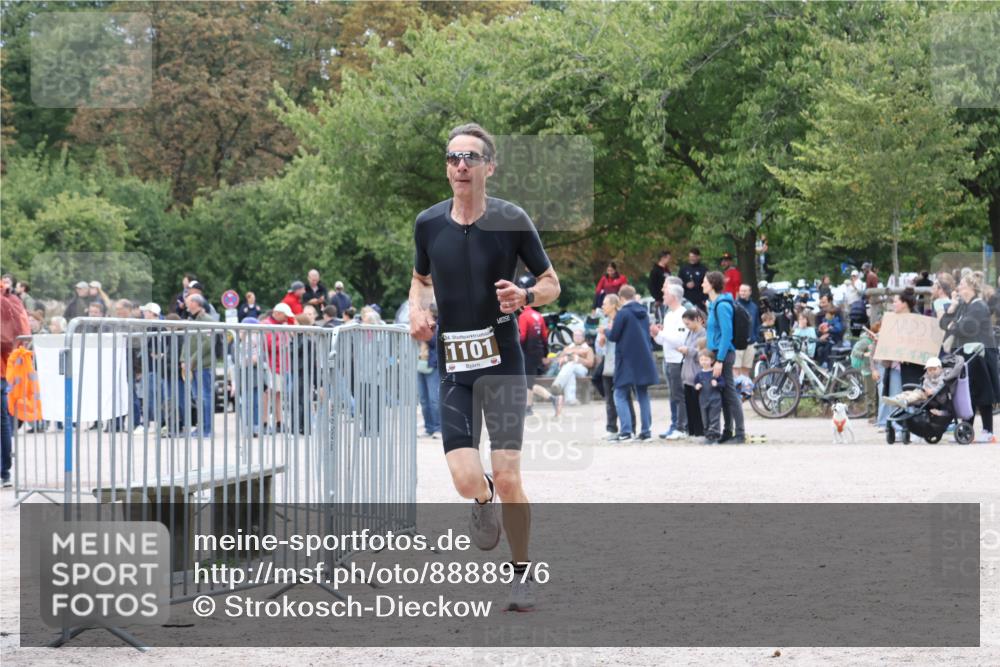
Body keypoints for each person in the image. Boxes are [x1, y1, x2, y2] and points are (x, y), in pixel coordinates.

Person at [407, 122, 559, 612]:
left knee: (509, 473)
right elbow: (419, 279)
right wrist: (417, 309)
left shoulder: (512, 219)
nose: (460, 165)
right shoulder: (428, 224)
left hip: (503, 362)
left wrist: (527, 295)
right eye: (453, 157)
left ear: (489, 167)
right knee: (465, 478)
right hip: (455, 366)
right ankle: (481, 500)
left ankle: (521, 574)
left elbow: (552, 282)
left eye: (471, 157)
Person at [940, 275, 1000, 442]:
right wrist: (951, 308)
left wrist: (953, 326)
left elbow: (966, 327)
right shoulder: (962, 306)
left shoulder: (978, 306)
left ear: (971, 288)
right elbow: (944, 324)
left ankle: (988, 431)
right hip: (967, 354)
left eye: (961, 284)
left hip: (981, 354)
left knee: (983, 392)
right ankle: (968, 430)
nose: (958, 287)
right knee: (968, 392)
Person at [607, 284, 657, 441]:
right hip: (644, 358)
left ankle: (626, 431)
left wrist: (606, 331)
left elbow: (614, 335)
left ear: (621, 298)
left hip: (627, 359)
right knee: (642, 394)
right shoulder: (644, 313)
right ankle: (646, 431)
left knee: (619, 393)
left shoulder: (623, 313)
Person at [875, 288, 926, 435]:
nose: (893, 304)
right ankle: (897, 428)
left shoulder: (918, 320)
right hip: (894, 365)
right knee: (895, 397)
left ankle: (912, 428)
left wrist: (910, 354)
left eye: (895, 301)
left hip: (912, 367)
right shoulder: (892, 320)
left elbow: (921, 343)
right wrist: (882, 340)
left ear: (904, 304)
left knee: (911, 397)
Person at [703, 270, 746, 443]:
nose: (702, 284)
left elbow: (727, 334)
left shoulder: (722, 305)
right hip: (717, 353)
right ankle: (728, 431)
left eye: (704, 282)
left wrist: (719, 360)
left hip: (724, 354)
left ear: (712, 284)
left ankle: (740, 433)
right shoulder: (714, 305)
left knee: (730, 392)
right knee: (723, 394)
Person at [1, 281, 32, 486]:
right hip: (4, 368)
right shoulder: (11, 299)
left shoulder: (7, 300)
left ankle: (4, 472)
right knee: (2, 421)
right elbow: (22, 335)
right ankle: (4, 472)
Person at [651, 283, 688, 439]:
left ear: (673, 296)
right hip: (669, 359)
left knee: (679, 395)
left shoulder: (682, 314)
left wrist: (662, 333)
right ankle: (676, 425)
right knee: (673, 395)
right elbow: (664, 341)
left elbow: (680, 340)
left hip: (678, 360)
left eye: (665, 294)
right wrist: (655, 335)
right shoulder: (668, 314)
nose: (663, 296)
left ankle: (682, 427)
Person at [596, 294, 635, 439]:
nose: (602, 306)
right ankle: (611, 428)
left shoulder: (621, 319)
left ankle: (631, 428)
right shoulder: (605, 321)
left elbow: (622, 339)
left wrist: (608, 332)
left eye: (605, 303)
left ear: (613, 305)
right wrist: (600, 341)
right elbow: (600, 348)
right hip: (608, 364)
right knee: (609, 399)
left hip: (620, 364)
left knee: (625, 397)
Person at [517, 285, 557, 417]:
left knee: (528, 382)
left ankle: (551, 398)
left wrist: (517, 350)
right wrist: (545, 354)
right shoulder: (538, 315)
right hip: (538, 352)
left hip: (527, 352)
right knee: (529, 381)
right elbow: (544, 337)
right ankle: (528, 407)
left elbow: (522, 336)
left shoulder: (523, 316)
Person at [182, 294, 215, 437]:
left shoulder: (207, 320)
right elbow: (187, 342)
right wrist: (183, 359)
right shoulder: (192, 320)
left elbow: (207, 344)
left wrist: (191, 359)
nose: (186, 305)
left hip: (203, 365)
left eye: (188, 302)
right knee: (197, 397)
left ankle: (207, 429)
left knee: (205, 397)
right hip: (193, 365)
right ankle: (201, 427)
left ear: (195, 303)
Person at [262, 302, 297, 433]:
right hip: (271, 366)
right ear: (277, 313)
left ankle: (279, 421)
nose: (287, 319)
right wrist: (285, 339)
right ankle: (265, 422)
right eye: (285, 316)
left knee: (277, 394)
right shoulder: (267, 325)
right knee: (269, 394)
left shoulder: (278, 325)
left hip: (279, 366)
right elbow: (268, 345)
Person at [679, 308, 707, 438]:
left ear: (696, 320)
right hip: (687, 374)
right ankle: (691, 431)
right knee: (689, 404)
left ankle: (700, 431)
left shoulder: (703, 334)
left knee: (697, 405)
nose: (687, 326)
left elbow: (702, 355)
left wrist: (687, 350)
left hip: (697, 374)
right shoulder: (690, 333)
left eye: (688, 323)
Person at [549, 330, 594, 408]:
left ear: (583, 338)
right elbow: (559, 360)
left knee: (571, 364)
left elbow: (590, 363)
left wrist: (578, 359)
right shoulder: (568, 348)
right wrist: (563, 359)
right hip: (568, 370)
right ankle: (570, 400)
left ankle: (558, 384)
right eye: (575, 335)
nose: (577, 337)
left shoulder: (588, 349)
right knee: (570, 372)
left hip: (582, 369)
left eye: (579, 336)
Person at [882, 356, 947, 410]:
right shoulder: (927, 376)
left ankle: (905, 401)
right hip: (924, 392)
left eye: (934, 369)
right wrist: (924, 389)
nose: (932, 371)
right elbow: (924, 384)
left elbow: (940, 387)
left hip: (934, 396)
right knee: (908, 393)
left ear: (940, 368)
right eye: (929, 370)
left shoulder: (942, 377)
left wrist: (932, 391)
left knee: (917, 394)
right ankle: (896, 399)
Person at [417, 305, 441, 437]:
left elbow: (434, 342)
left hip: (432, 365)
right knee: (423, 399)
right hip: (421, 363)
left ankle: (438, 428)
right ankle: (429, 428)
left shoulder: (437, 326)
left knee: (433, 399)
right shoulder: (422, 325)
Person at [694, 350, 725, 444]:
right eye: (701, 360)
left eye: (706, 360)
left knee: (714, 417)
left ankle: (715, 436)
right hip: (703, 400)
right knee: (705, 418)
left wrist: (717, 384)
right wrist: (697, 386)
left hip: (715, 399)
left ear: (712, 361)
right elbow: (695, 383)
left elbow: (723, 383)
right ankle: (708, 436)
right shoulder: (699, 374)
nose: (704, 362)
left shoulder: (715, 372)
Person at [734, 284, 760, 378]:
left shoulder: (754, 307)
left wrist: (756, 337)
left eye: (745, 291)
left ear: (750, 292)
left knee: (746, 369)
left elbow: (757, 324)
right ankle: (737, 392)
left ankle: (746, 391)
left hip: (751, 342)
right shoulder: (734, 305)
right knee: (736, 369)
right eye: (741, 291)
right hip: (737, 342)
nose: (742, 293)